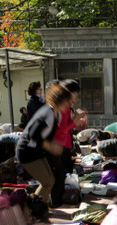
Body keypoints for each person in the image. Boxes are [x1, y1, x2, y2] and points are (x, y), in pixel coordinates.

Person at [16, 83, 71, 202]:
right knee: (47, 181)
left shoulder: (56, 114)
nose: (68, 104)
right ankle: (35, 210)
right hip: (27, 151)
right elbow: (33, 134)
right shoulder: (48, 112)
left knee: (50, 181)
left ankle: (38, 208)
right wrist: (51, 147)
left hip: (37, 151)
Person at [48, 79, 88, 208]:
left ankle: (61, 201)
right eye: (75, 92)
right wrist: (76, 118)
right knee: (58, 176)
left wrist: (77, 121)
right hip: (58, 146)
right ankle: (57, 204)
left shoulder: (66, 106)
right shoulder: (61, 106)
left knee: (64, 175)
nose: (77, 96)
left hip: (64, 145)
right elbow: (62, 128)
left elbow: (67, 127)